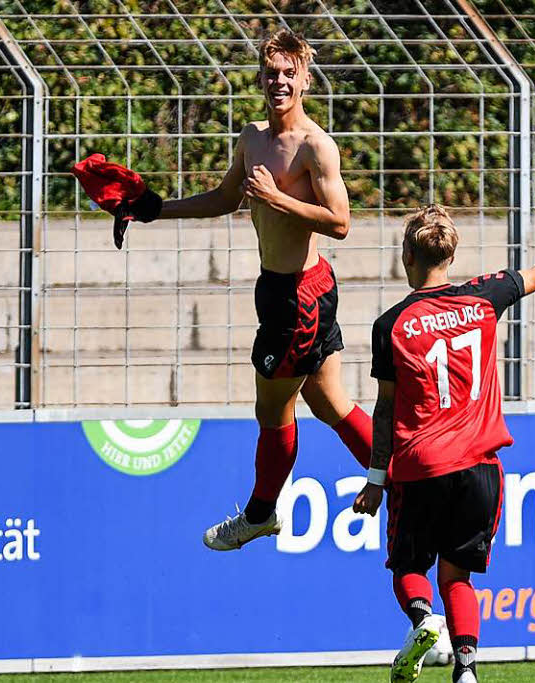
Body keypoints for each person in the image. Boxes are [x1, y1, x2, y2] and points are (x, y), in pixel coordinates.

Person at [79, 29, 374, 549]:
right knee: (330, 403)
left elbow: (340, 222)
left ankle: (261, 513)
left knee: (272, 412)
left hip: (298, 298)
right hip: (289, 288)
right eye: (271, 72)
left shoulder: (315, 146)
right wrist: (152, 209)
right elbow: (223, 198)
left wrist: (276, 199)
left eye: (289, 73)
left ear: (305, 78)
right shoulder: (252, 137)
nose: (279, 81)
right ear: (261, 77)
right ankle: (404, 475)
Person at [353, 205, 535, 683]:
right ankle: (466, 669)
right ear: (451, 254)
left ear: (407, 255)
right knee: (458, 576)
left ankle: (424, 620)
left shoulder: (391, 324)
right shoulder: (484, 297)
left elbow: (385, 410)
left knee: (408, 566)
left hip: (420, 467)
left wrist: (374, 478)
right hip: (480, 467)